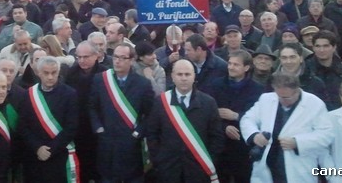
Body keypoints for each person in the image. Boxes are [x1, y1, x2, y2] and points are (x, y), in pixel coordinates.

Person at [240, 72, 334, 183]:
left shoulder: (315, 104)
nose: (282, 100)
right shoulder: (266, 99)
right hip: (267, 167)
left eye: (286, 97)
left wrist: (298, 142)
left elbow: (326, 134)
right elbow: (247, 119)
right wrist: (254, 135)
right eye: (278, 96)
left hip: (298, 168)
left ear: (297, 90)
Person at [146, 59, 225, 183]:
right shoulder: (160, 102)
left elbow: (216, 137)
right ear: (172, 76)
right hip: (168, 169)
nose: (183, 78)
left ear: (194, 76)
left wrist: (209, 160)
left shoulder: (208, 103)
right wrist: (159, 159)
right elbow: (152, 134)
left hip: (198, 169)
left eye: (187, 74)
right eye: (179, 74)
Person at [89, 43, 154, 183]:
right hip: (107, 143)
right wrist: (98, 128)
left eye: (123, 58)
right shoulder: (101, 80)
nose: (117, 61)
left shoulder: (143, 84)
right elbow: (92, 107)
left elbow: (150, 114)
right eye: (115, 57)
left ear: (131, 60)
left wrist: (138, 132)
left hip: (131, 144)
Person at [203, 51, 264, 183]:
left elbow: (259, 117)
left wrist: (237, 116)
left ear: (246, 68)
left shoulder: (257, 90)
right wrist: (224, 127)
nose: (230, 67)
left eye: (236, 64)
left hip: (243, 148)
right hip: (220, 146)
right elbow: (208, 113)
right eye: (230, 63)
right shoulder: (216, 85)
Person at [19, 56, 79, 183]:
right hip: (35, 156)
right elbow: (23, 126)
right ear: (38, 72)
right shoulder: (28, 95)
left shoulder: (70, 94)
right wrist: (37, 147)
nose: (50, 77)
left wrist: (51, 149)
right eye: (46, 73)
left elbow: (71, 127)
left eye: (54, 73)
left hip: (59, 155)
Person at [64, 41, 108, 183]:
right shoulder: (71, 73)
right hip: (78, 127)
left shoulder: (105, 73)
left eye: (86, 57)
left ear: (96, 55)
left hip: (100, 127)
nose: (81, 60)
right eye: (79, 57)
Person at [305, 30, 342, 111]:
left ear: (334, 47)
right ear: (313, 48)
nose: (321, 50)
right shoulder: (305, 70)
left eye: (326, 46)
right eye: (318, 46)